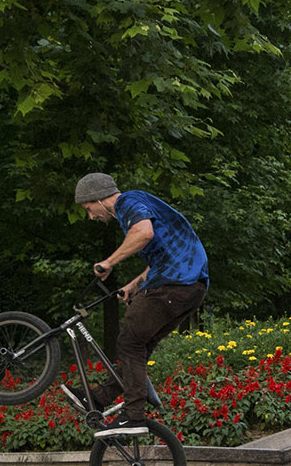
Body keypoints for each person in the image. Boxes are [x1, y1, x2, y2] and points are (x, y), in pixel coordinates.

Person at [75, 172, 209, 437]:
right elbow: (159, 258)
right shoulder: (138, 208)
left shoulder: (127, 202)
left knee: (129, 342)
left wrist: (109, 262)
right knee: (139, 346)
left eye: (88, 209)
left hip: (175, 284)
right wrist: (133, 286)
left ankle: (133, 416)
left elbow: (144, 233)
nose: (91, 216)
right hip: (189, 287)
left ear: (98, 198)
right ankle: (99, 397)